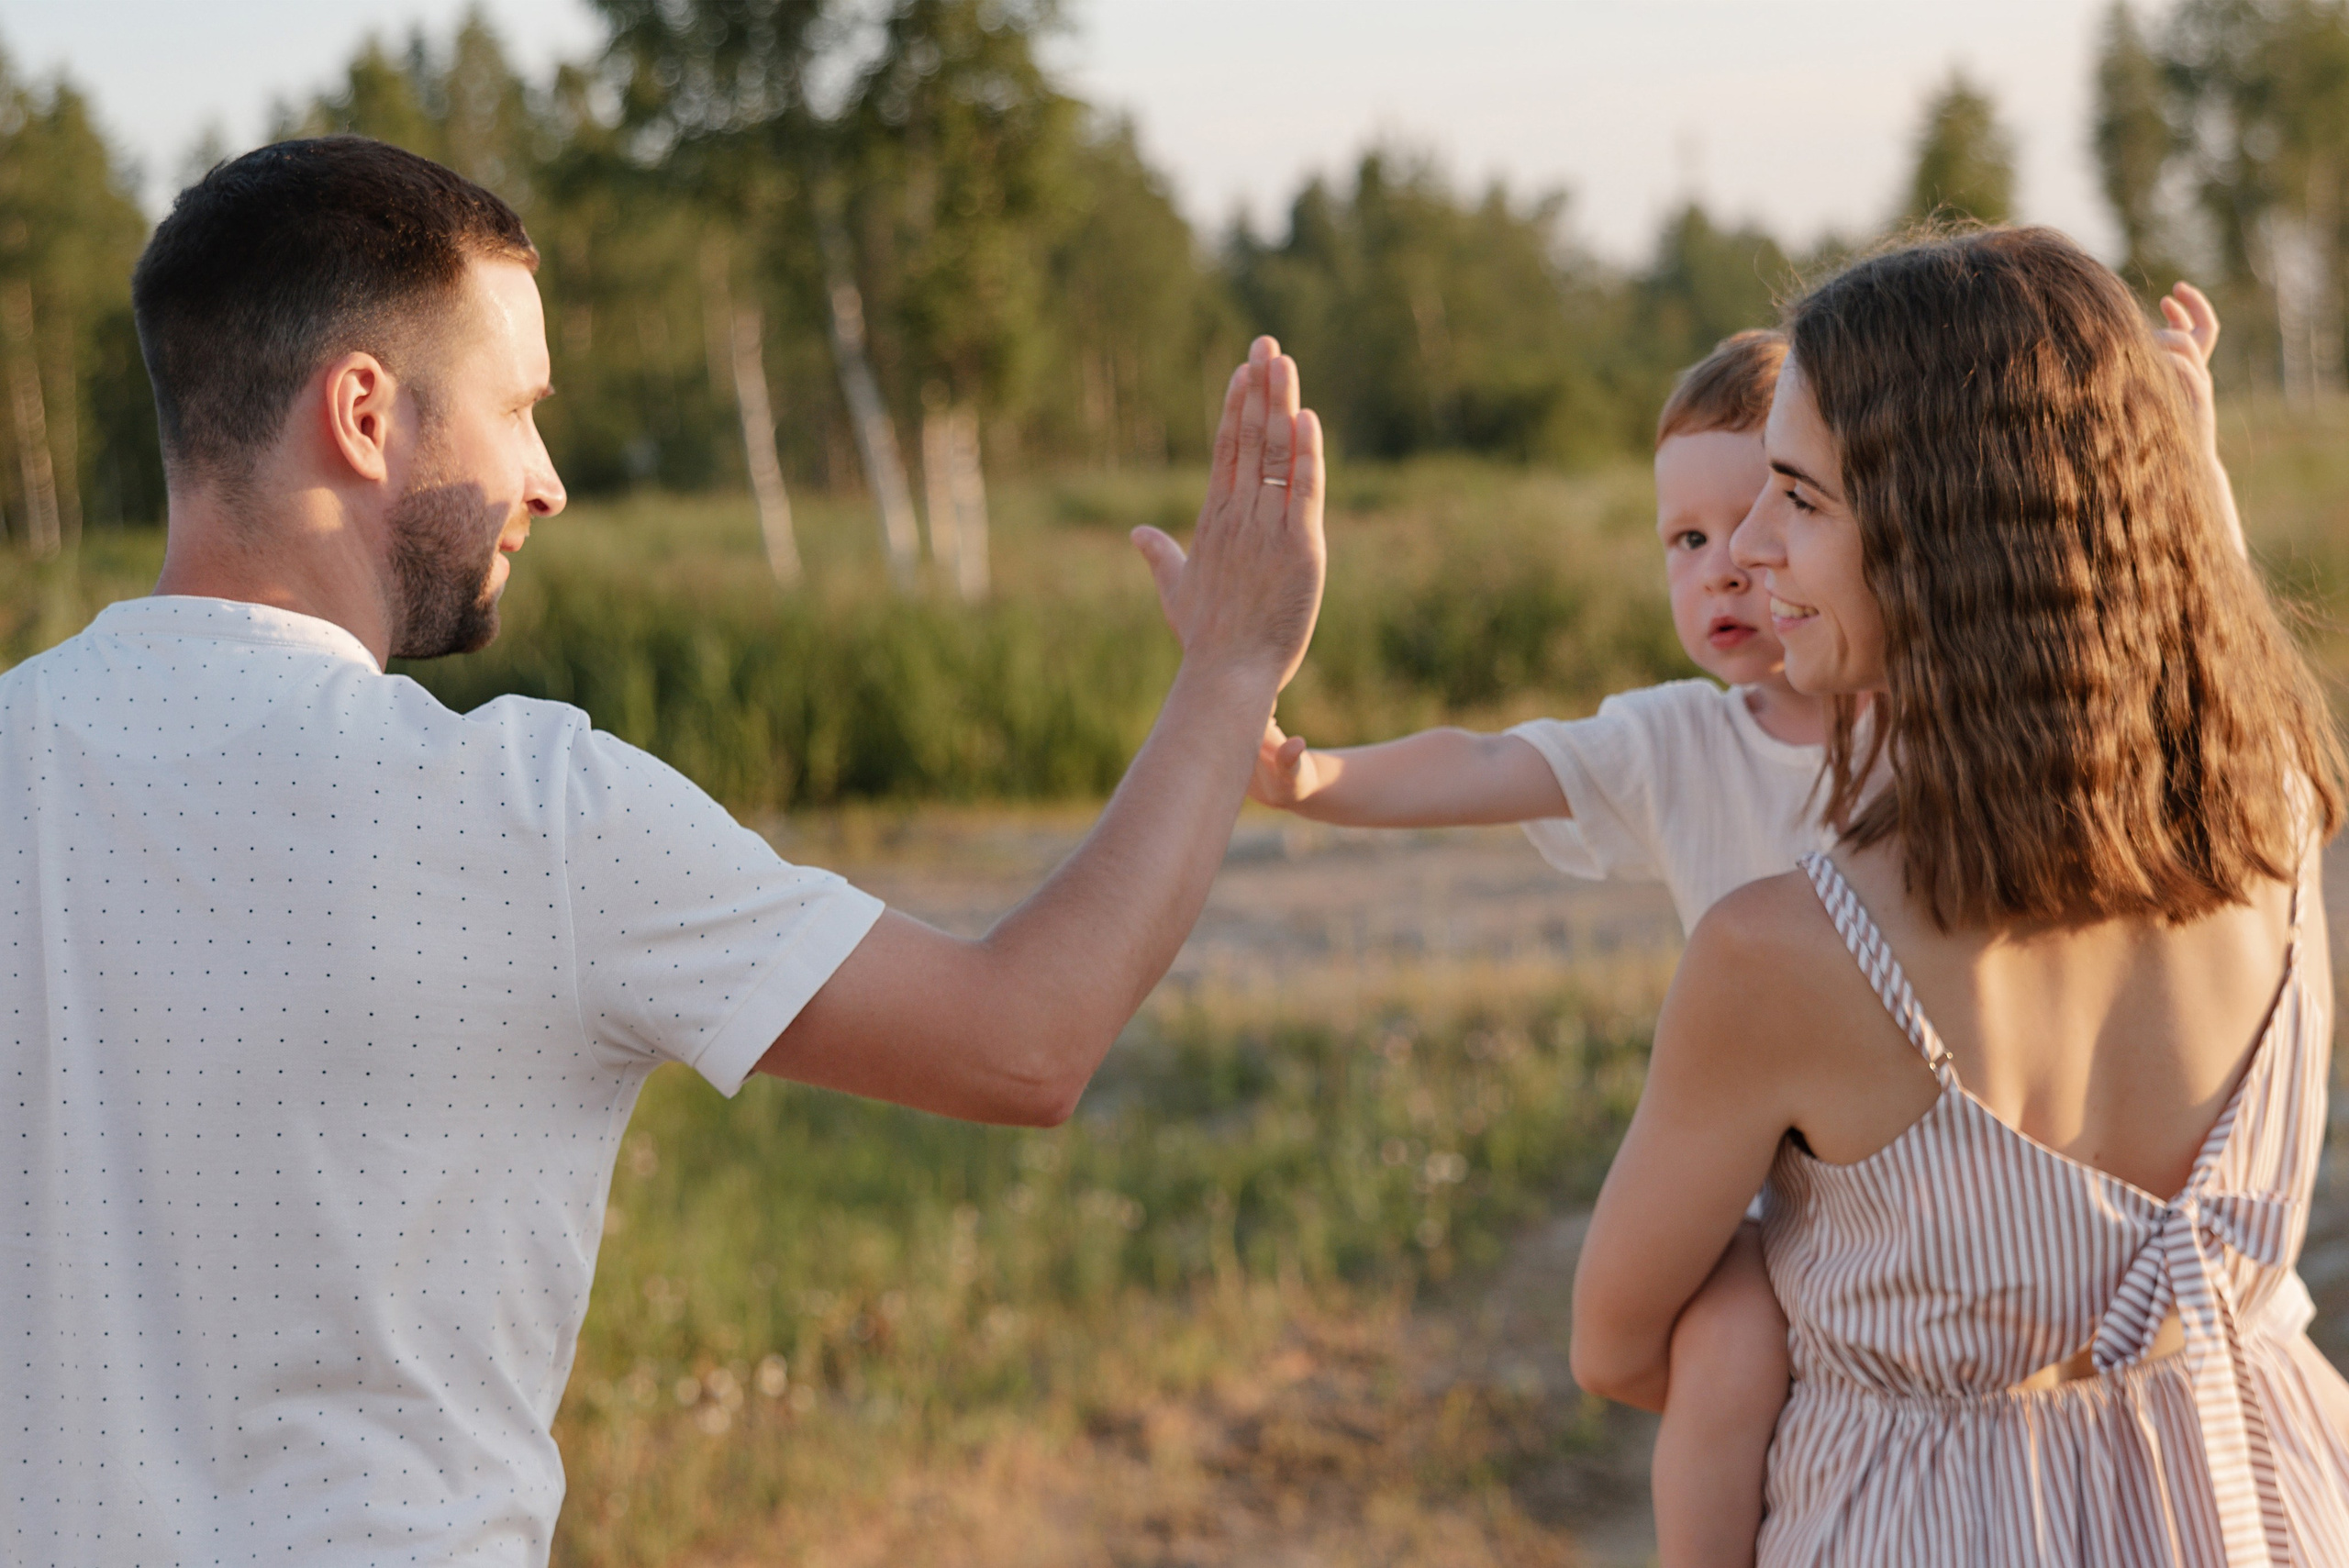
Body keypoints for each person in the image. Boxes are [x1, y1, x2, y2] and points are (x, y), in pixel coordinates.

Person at [1, 137, 1323, 1564]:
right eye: (517, 409)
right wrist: (1233, 669)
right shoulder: (532, 813)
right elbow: (1024, 1039)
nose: (547, 479)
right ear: (365, 414)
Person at [1570, 225, 2349, 1565]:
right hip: (2275, 1507)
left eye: (1799, 499)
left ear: (1940, 536)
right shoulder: (2275, 810)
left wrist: (1852, 1360)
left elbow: (1616, 1341)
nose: (1751, 548)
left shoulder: (1786, 952)